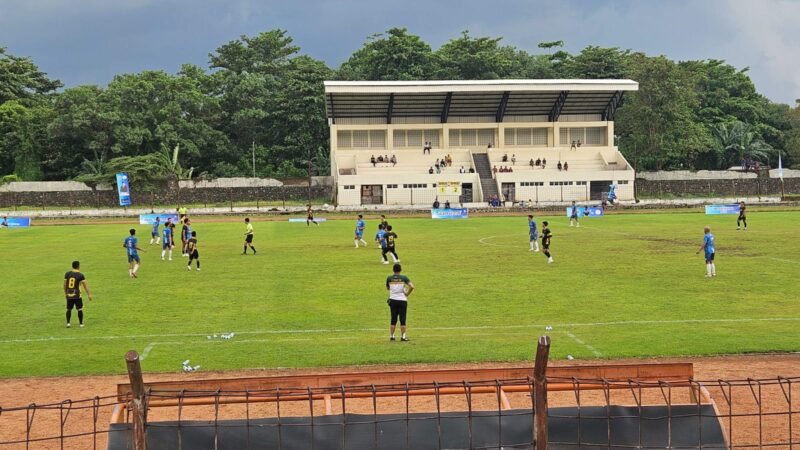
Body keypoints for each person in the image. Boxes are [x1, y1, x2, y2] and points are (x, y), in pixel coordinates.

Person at [386, 263, 414, 342]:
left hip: (393, 300)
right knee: (402, 319)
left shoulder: (389, 278)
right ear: (400, 270)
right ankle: (403, 336)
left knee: (393, 318)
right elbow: (412, 286)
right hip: (402, 300)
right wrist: (407, 293)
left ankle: (392, 336)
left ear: (393, 270)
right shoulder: (404, 278)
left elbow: (388, 288)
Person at [64, 260, 92, 328]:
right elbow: (85, 286)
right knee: (79, 309)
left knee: (68, 309)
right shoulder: (80, 275)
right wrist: (89, 294)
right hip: (77, 295)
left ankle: (68, 323)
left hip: (69, 295)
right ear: (78, 266)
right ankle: (81, 323)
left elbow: (65, 285)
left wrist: (65, 294)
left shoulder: (67, 274)